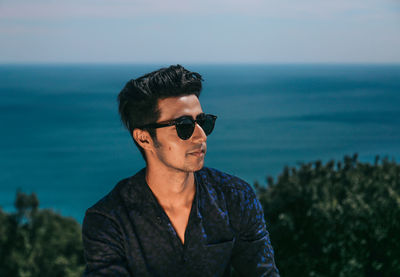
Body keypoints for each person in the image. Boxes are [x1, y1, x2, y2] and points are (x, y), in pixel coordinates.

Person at [82, 65, 279, 276]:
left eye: (203, 122)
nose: (201, 135)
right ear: (144, 138)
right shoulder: (108, 219)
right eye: (184, 125)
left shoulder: (235, 197)